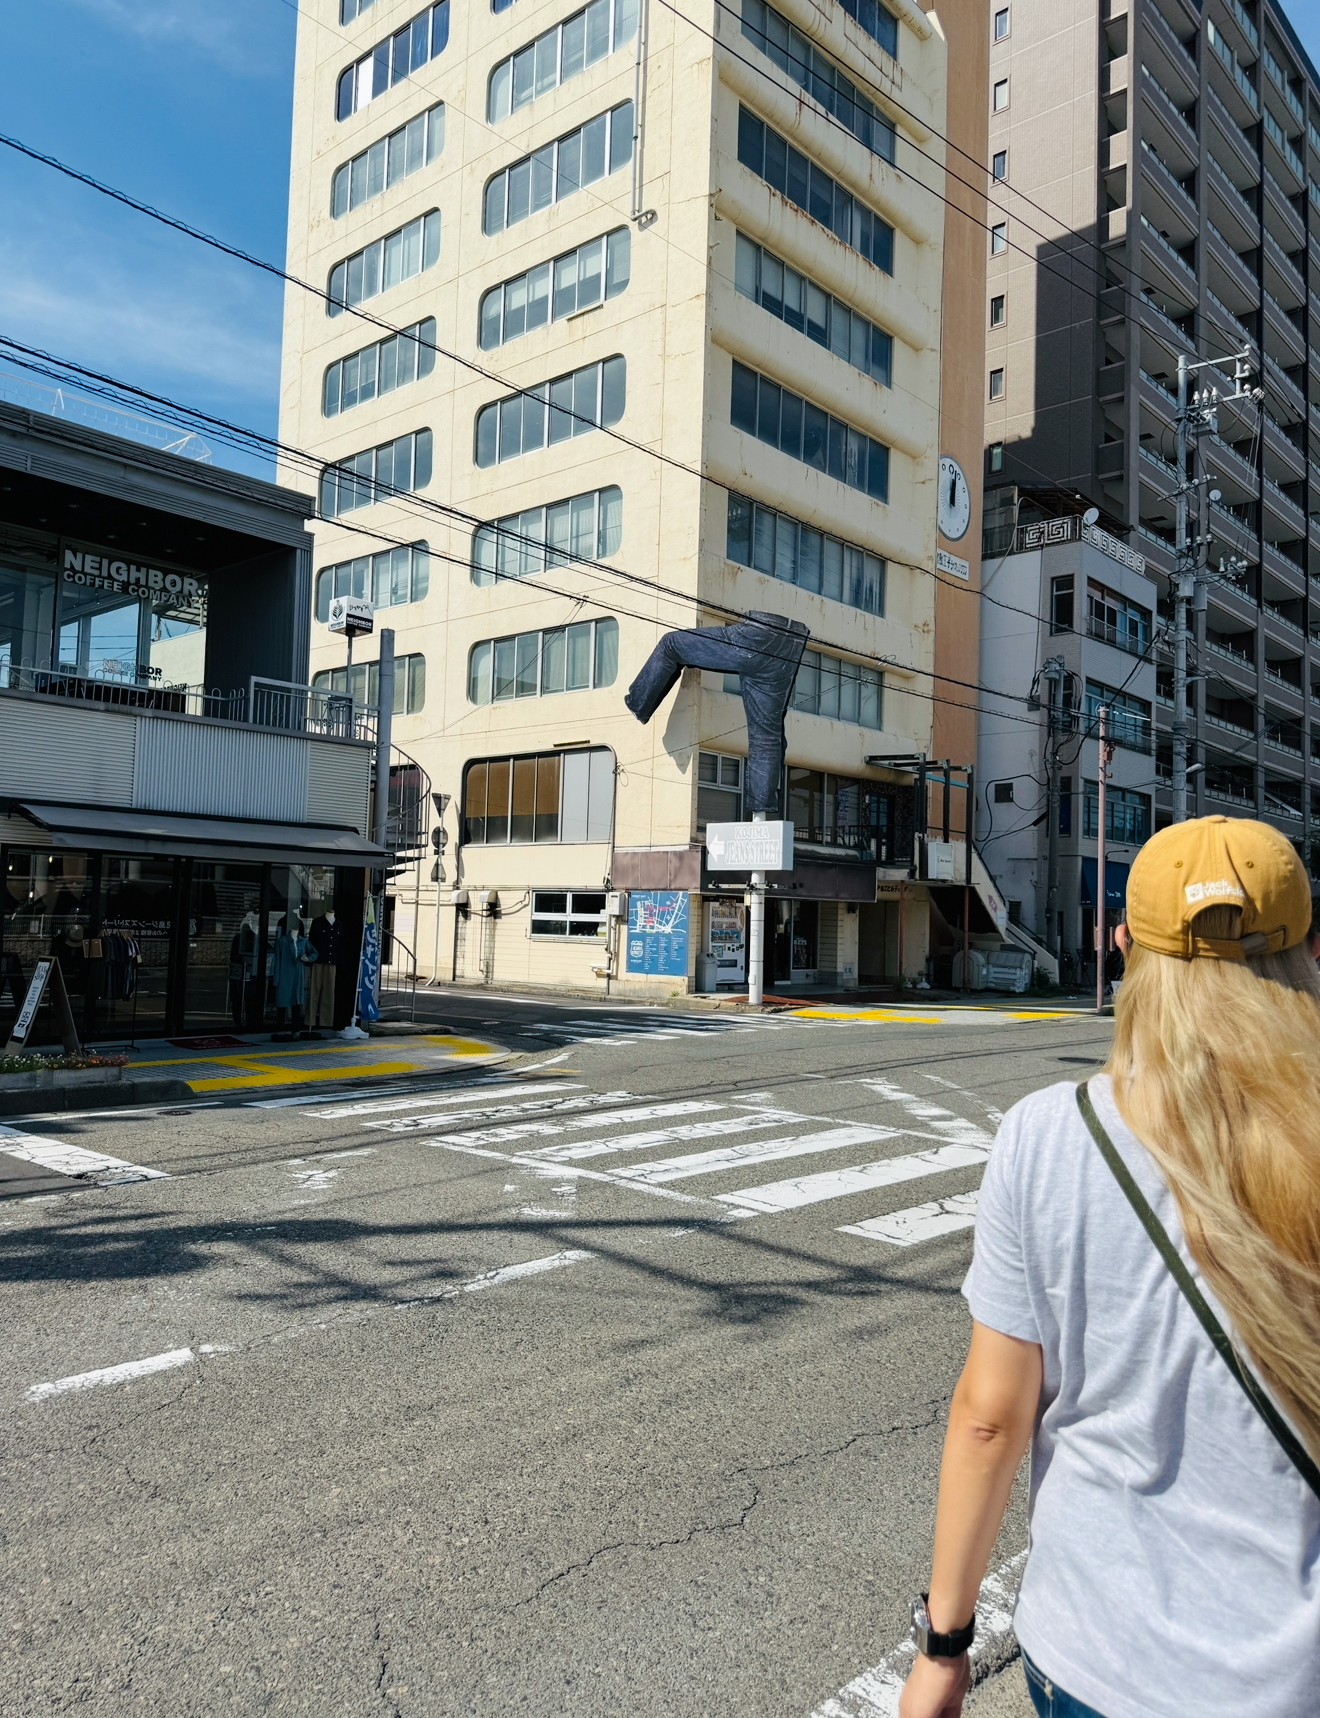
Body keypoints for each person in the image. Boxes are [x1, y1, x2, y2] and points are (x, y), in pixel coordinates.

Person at [899, 816, 1320, 1718]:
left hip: (1098, 1655)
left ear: (1125, 947)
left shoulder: (1048, 1137)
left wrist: (945, 1646)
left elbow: (989, 1421)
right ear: (1312, 946)